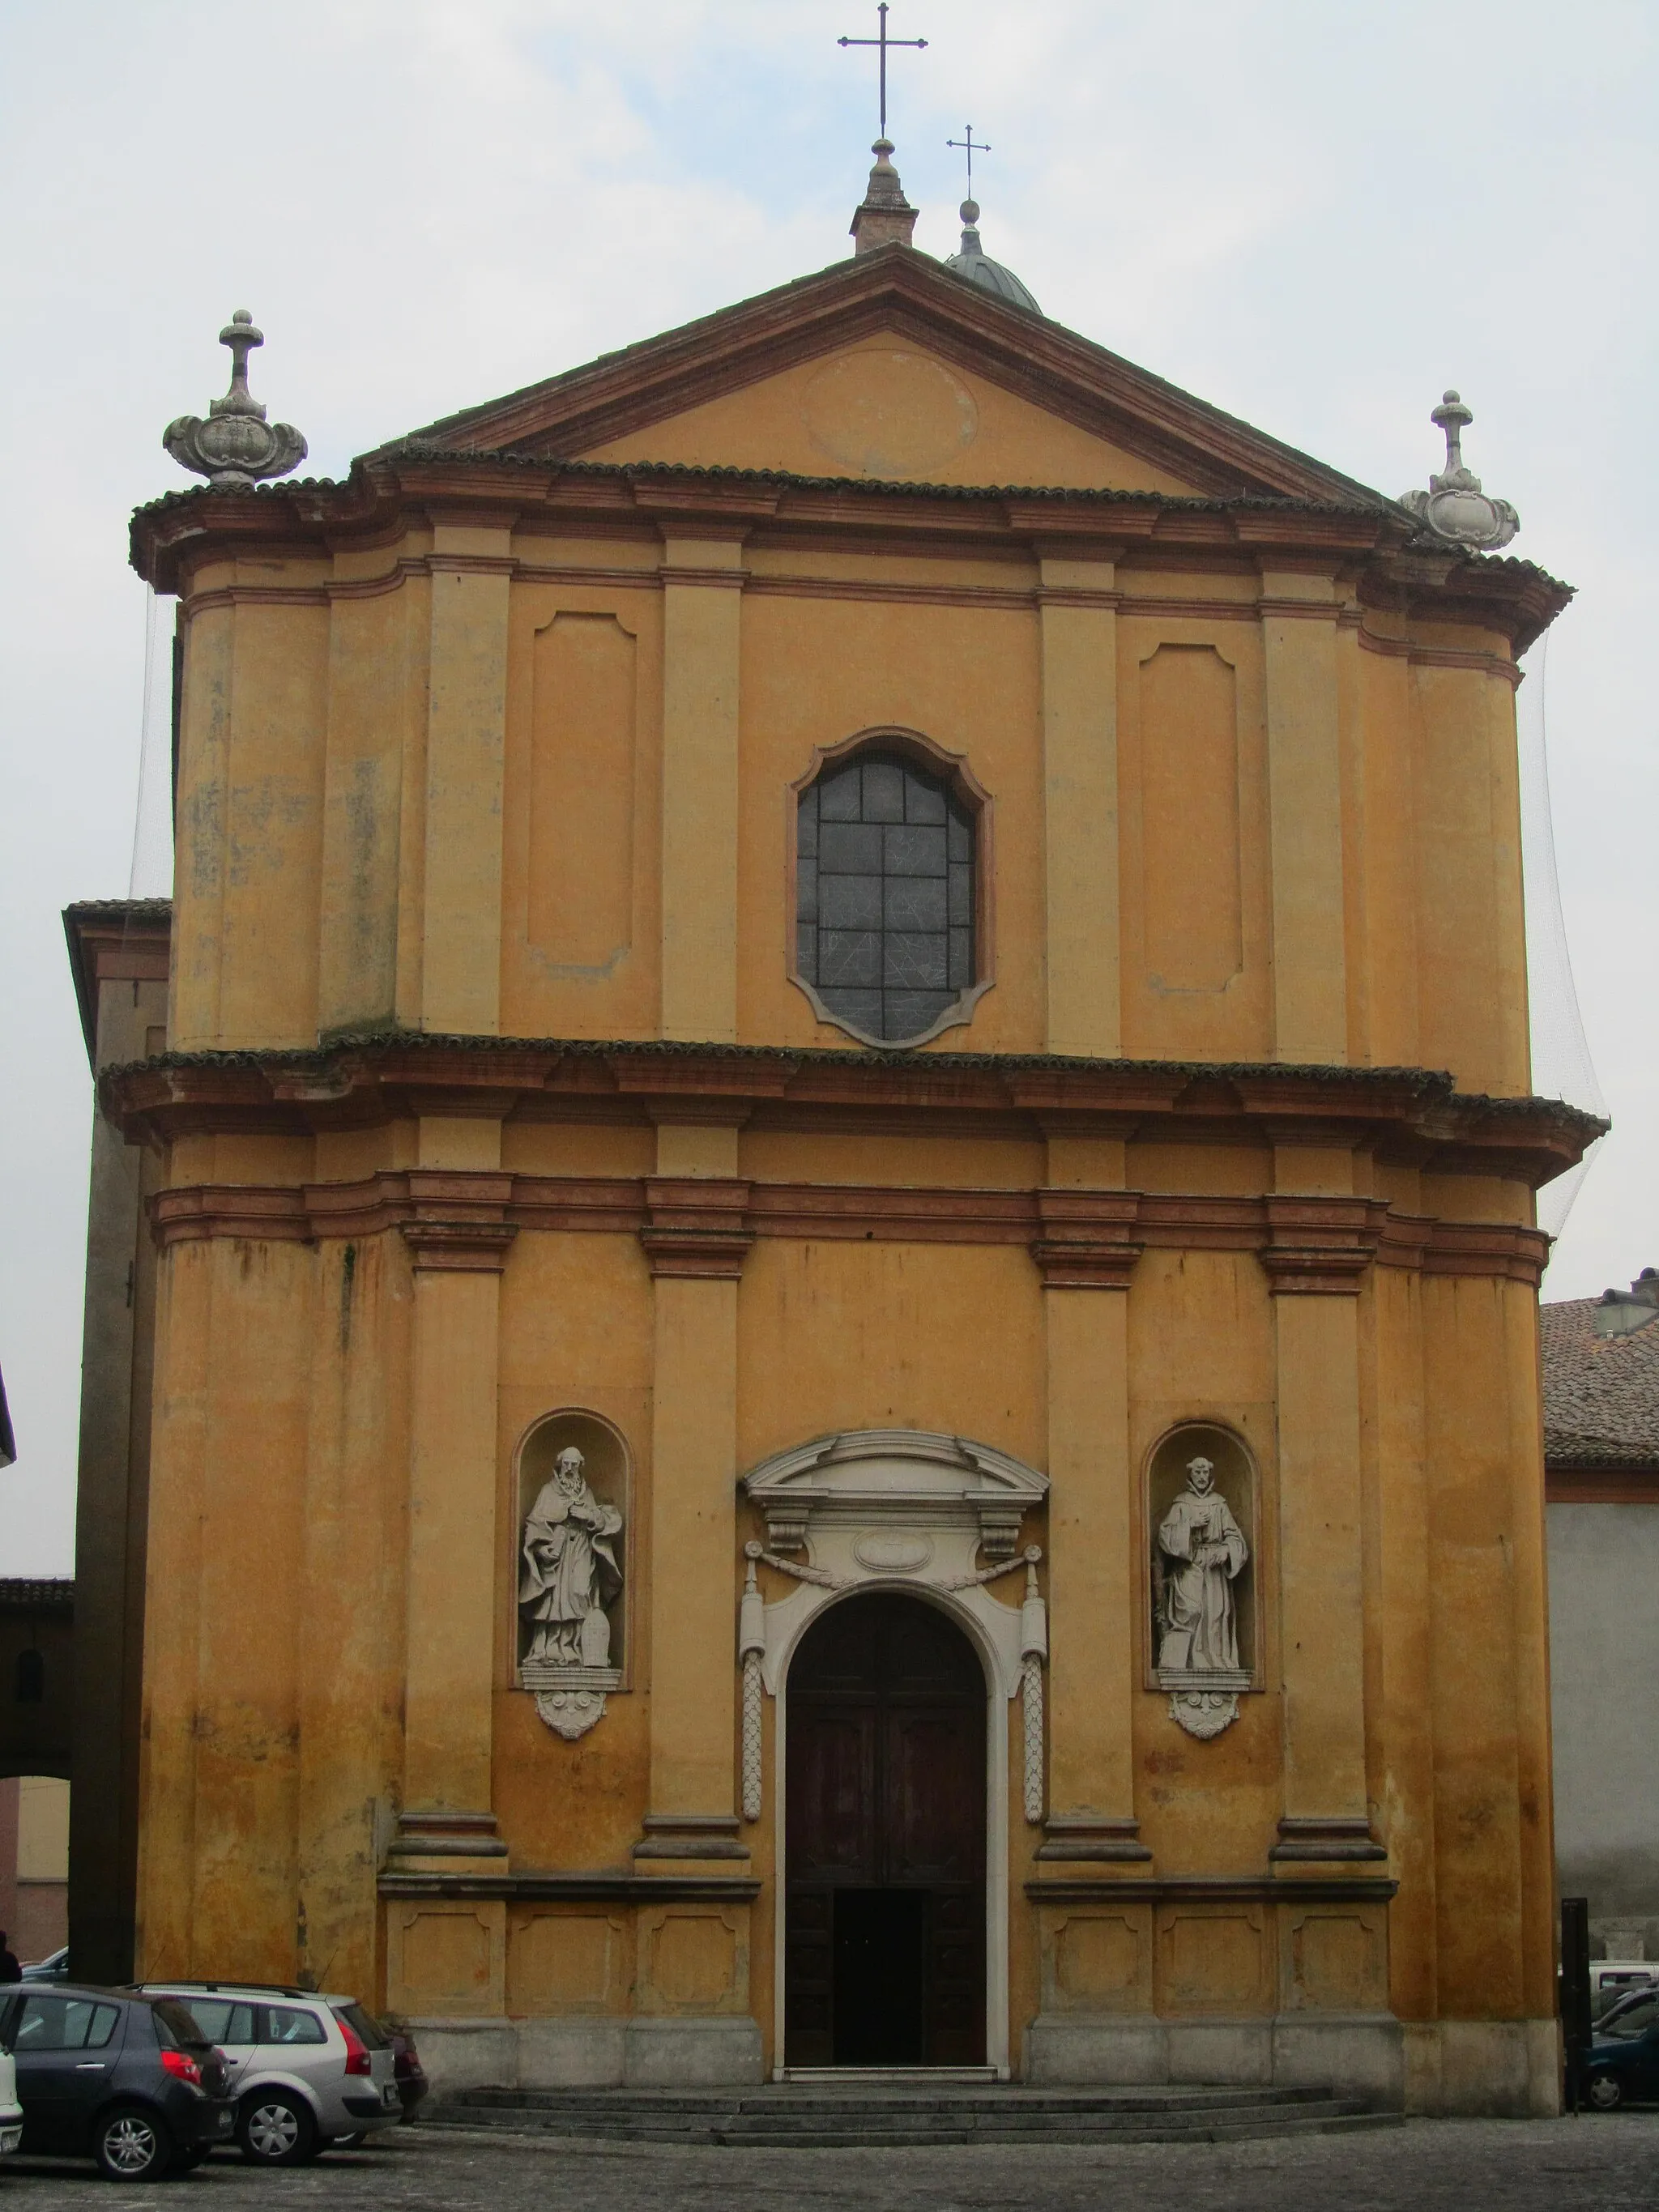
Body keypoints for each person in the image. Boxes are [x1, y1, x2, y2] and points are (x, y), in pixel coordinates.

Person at [518, 1447, 623, 1666]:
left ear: (580, 1466)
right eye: (566, 1464)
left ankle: (577, 1648)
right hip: (557, 1554)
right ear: (559, 1464)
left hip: (582, 1549)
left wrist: (590, 1517)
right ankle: (549, 1650)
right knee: (553, 1600)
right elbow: (534, 1523)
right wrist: (540, 1550)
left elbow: (600, 1519)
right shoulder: (548, 1491)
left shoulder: (586, 1493)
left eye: (574, 1465)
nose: (569, 1469)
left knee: (580, 1592)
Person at [1156, 1455, 1247, 1673]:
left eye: (1205, 1472)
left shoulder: (1220, 1504)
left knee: (1216, 1613)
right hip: (1191, 1566)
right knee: (1191, 1611)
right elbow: (1165, 1535)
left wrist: (1226, 1550)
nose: (1202, 1476)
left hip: (1215, 1571)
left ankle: (1216, 1659)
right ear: (1190, 1474)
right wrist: (1190, 1525)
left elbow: (1235, 1537)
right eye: (1198, 1472)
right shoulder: (1181, 1503)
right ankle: (1189, 1660)